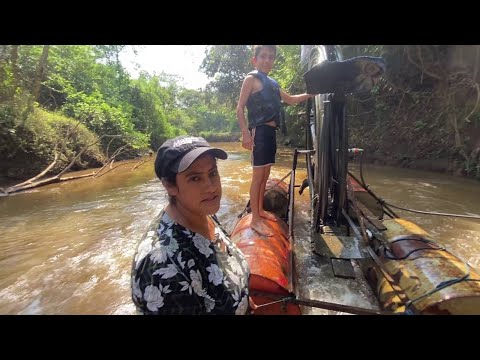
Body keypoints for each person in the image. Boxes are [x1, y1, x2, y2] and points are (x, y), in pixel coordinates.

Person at [131, 135, 255, 315]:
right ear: (170, 186)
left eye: (212, 173)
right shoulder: (163, 267)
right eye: (195, 178)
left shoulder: (203, 213)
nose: (211, 186)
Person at [236, 45, 316, 236]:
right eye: (263, 56)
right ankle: (255, 218)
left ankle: (261, 210)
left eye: (271, 57)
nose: (267, 60)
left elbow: (290, 99)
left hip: (271, 134)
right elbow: (239, 108)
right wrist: (246, 134)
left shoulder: (272, 83)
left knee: (265, 174)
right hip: (259, 132)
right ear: (254, 60)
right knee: (257, 177)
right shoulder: (251, 79)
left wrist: (311, 94)